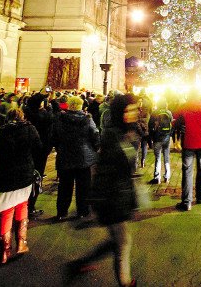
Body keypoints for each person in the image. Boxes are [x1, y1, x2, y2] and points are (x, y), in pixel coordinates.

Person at [68, 94, 139, 287]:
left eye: (134, 109)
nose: (133, 113)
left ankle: (83, 262)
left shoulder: (128, 133)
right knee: (123, 242)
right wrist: (99, 199)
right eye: (128, 110)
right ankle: (124, 282)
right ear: (119, 112)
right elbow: (103, 171)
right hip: (111, 198)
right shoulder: (112, 135)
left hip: (121, 196)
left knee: (116, 241)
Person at [0, 108, 42, 264]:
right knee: (23, 206)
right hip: (24, 174)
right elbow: (39, 149)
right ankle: (21, 243)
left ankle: (4, 251)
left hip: (5, 175)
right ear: (23, 117)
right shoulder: (30, 129)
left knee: (7, 212)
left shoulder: (2, 134)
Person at [51, 95, 100, 221]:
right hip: (83, 157)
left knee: (64, 186)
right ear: (80, 106)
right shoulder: (87, 119)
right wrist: (94, 148)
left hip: (65, 155)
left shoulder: (60, 118)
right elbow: (95, 135)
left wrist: (59, 147)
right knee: (83, 187)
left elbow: (54, 136)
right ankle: (82, 211)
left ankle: (61, 212)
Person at [175, 92, 201, 211]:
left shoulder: (183, 108)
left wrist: (182, 128)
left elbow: (175, 122)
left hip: (188, 143)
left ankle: (186, 202)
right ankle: (199, 197)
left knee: (187, 172)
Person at [148, 101, 174, 184]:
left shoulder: (155, 113)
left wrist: (152, 137)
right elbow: (172, 123)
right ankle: (167, 176)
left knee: (158, 158)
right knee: (166, 157)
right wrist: (170, 134)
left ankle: (157, 177)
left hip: (157, 138)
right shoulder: (169, 113)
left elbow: (150, 125)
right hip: (166, 137)